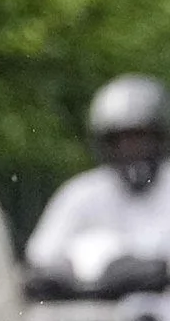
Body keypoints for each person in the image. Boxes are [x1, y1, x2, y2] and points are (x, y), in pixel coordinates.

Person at [25, 76, 170, 297]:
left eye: (140, 138)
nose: (131, 150)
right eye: (120, 141)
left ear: (160, 138)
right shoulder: (81, 194)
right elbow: (42, 259)